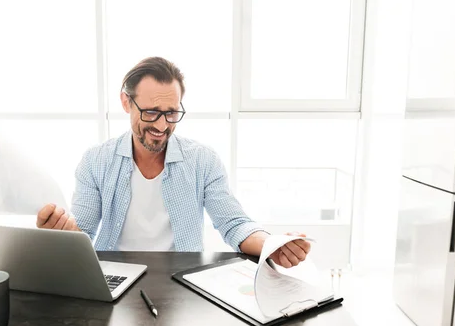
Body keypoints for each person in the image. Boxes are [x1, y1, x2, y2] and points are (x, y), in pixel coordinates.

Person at [36, 57, 310, 268]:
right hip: (113, 277)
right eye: (151, 112)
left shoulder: (202, 161)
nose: (161, 125)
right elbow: (82, 230)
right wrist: (62, 232)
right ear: (126, 102)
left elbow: (233, 224)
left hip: (183, 280)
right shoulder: (96, 161)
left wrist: (272, 244)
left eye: (171, 113)